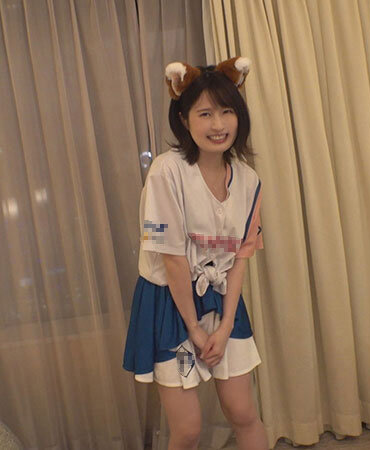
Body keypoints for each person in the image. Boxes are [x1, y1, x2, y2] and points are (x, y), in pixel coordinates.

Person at [123, 56, 268, 450]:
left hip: (223, 301)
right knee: (187, 430)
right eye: (205, 114)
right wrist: (195, 328)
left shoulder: (249, 181)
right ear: (184, 120)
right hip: (170, 305)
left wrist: (225, 325)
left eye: (226, 112)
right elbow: (171, 257)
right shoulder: (165, 172)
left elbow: (241, 258)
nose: (218, 124)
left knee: (244, 413)